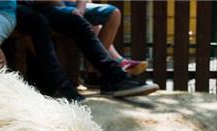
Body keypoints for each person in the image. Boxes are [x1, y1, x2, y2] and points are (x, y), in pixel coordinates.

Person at [27, 1, 159, 98]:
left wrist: (80, 10)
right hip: (43, 6)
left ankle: (102, 76)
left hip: (66, 5)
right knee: (77, 21)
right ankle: (115, 76)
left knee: (109, 14)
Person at [55, 1, 148, 87]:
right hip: (57, 6)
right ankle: (116, 64)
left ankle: (95, 73)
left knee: (107, 17)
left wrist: (80, 10)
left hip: (74, 5)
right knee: (101, 22)